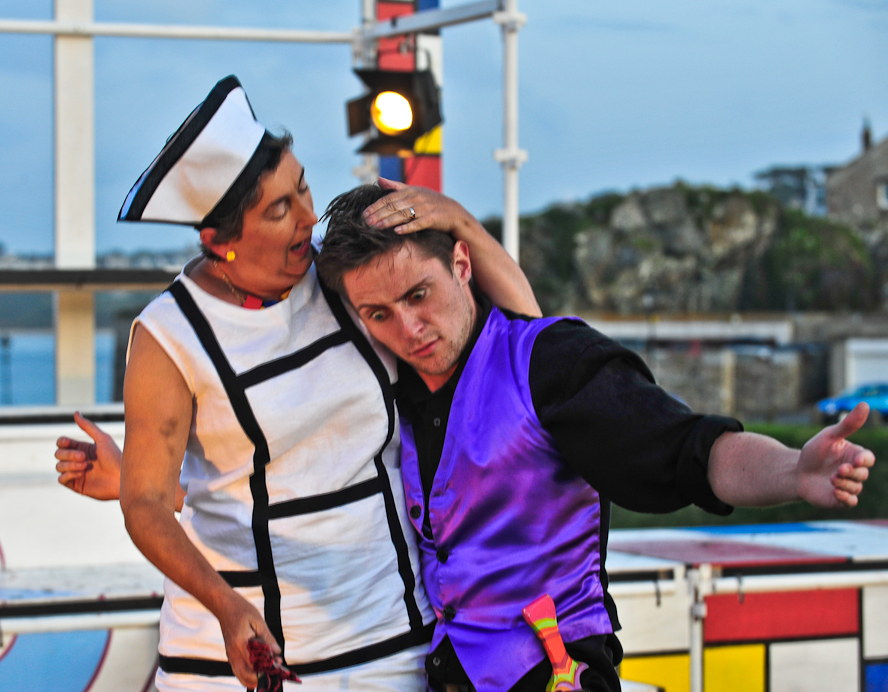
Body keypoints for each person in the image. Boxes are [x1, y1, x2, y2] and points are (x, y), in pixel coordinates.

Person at [54, 75, 539, 692]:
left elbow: (523, 341)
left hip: (392, 645)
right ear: (220, 241)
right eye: (280, 209)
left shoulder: (345, 277)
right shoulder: (169, 335)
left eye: (303, 186)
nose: (309, 217)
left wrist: (459, 221)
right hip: (235, 664)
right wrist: (227, 607)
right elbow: (145, 505)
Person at [312, 184, 876, 692]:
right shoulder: (388, 390)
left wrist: (793, 471)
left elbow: (686, 447)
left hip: (555, 672)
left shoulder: (551, 363)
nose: (408, 330)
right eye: (378, 314)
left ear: (462, 265)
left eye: (418, 295)